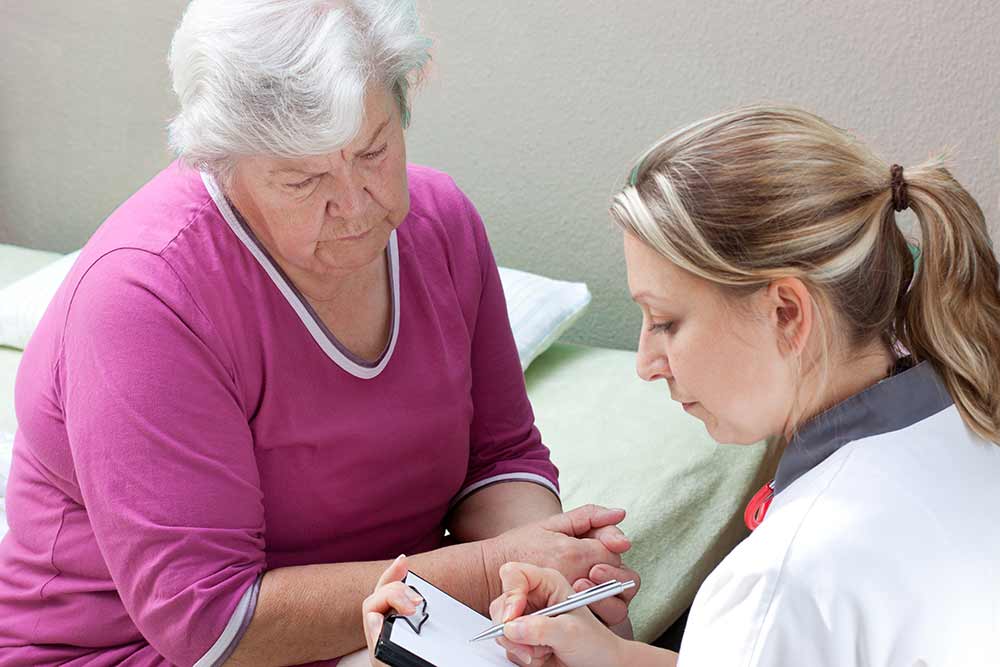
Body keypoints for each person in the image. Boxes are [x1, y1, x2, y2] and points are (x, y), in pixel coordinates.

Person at [0, 2, 638, 665]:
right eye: (303, 180)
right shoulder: (145, 297)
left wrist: (541, 578)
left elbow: (499, 459)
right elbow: (209, 618)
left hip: (393, 621)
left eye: (374, 151)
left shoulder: (442, 224)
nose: (357, 206)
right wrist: (489, 569)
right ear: (218, 163)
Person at [365, 105, 1000, 666]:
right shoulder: (968, 421)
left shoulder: (785, 576)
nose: (646, 362)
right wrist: (611, 658)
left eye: (666, 322)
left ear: (787, 312)